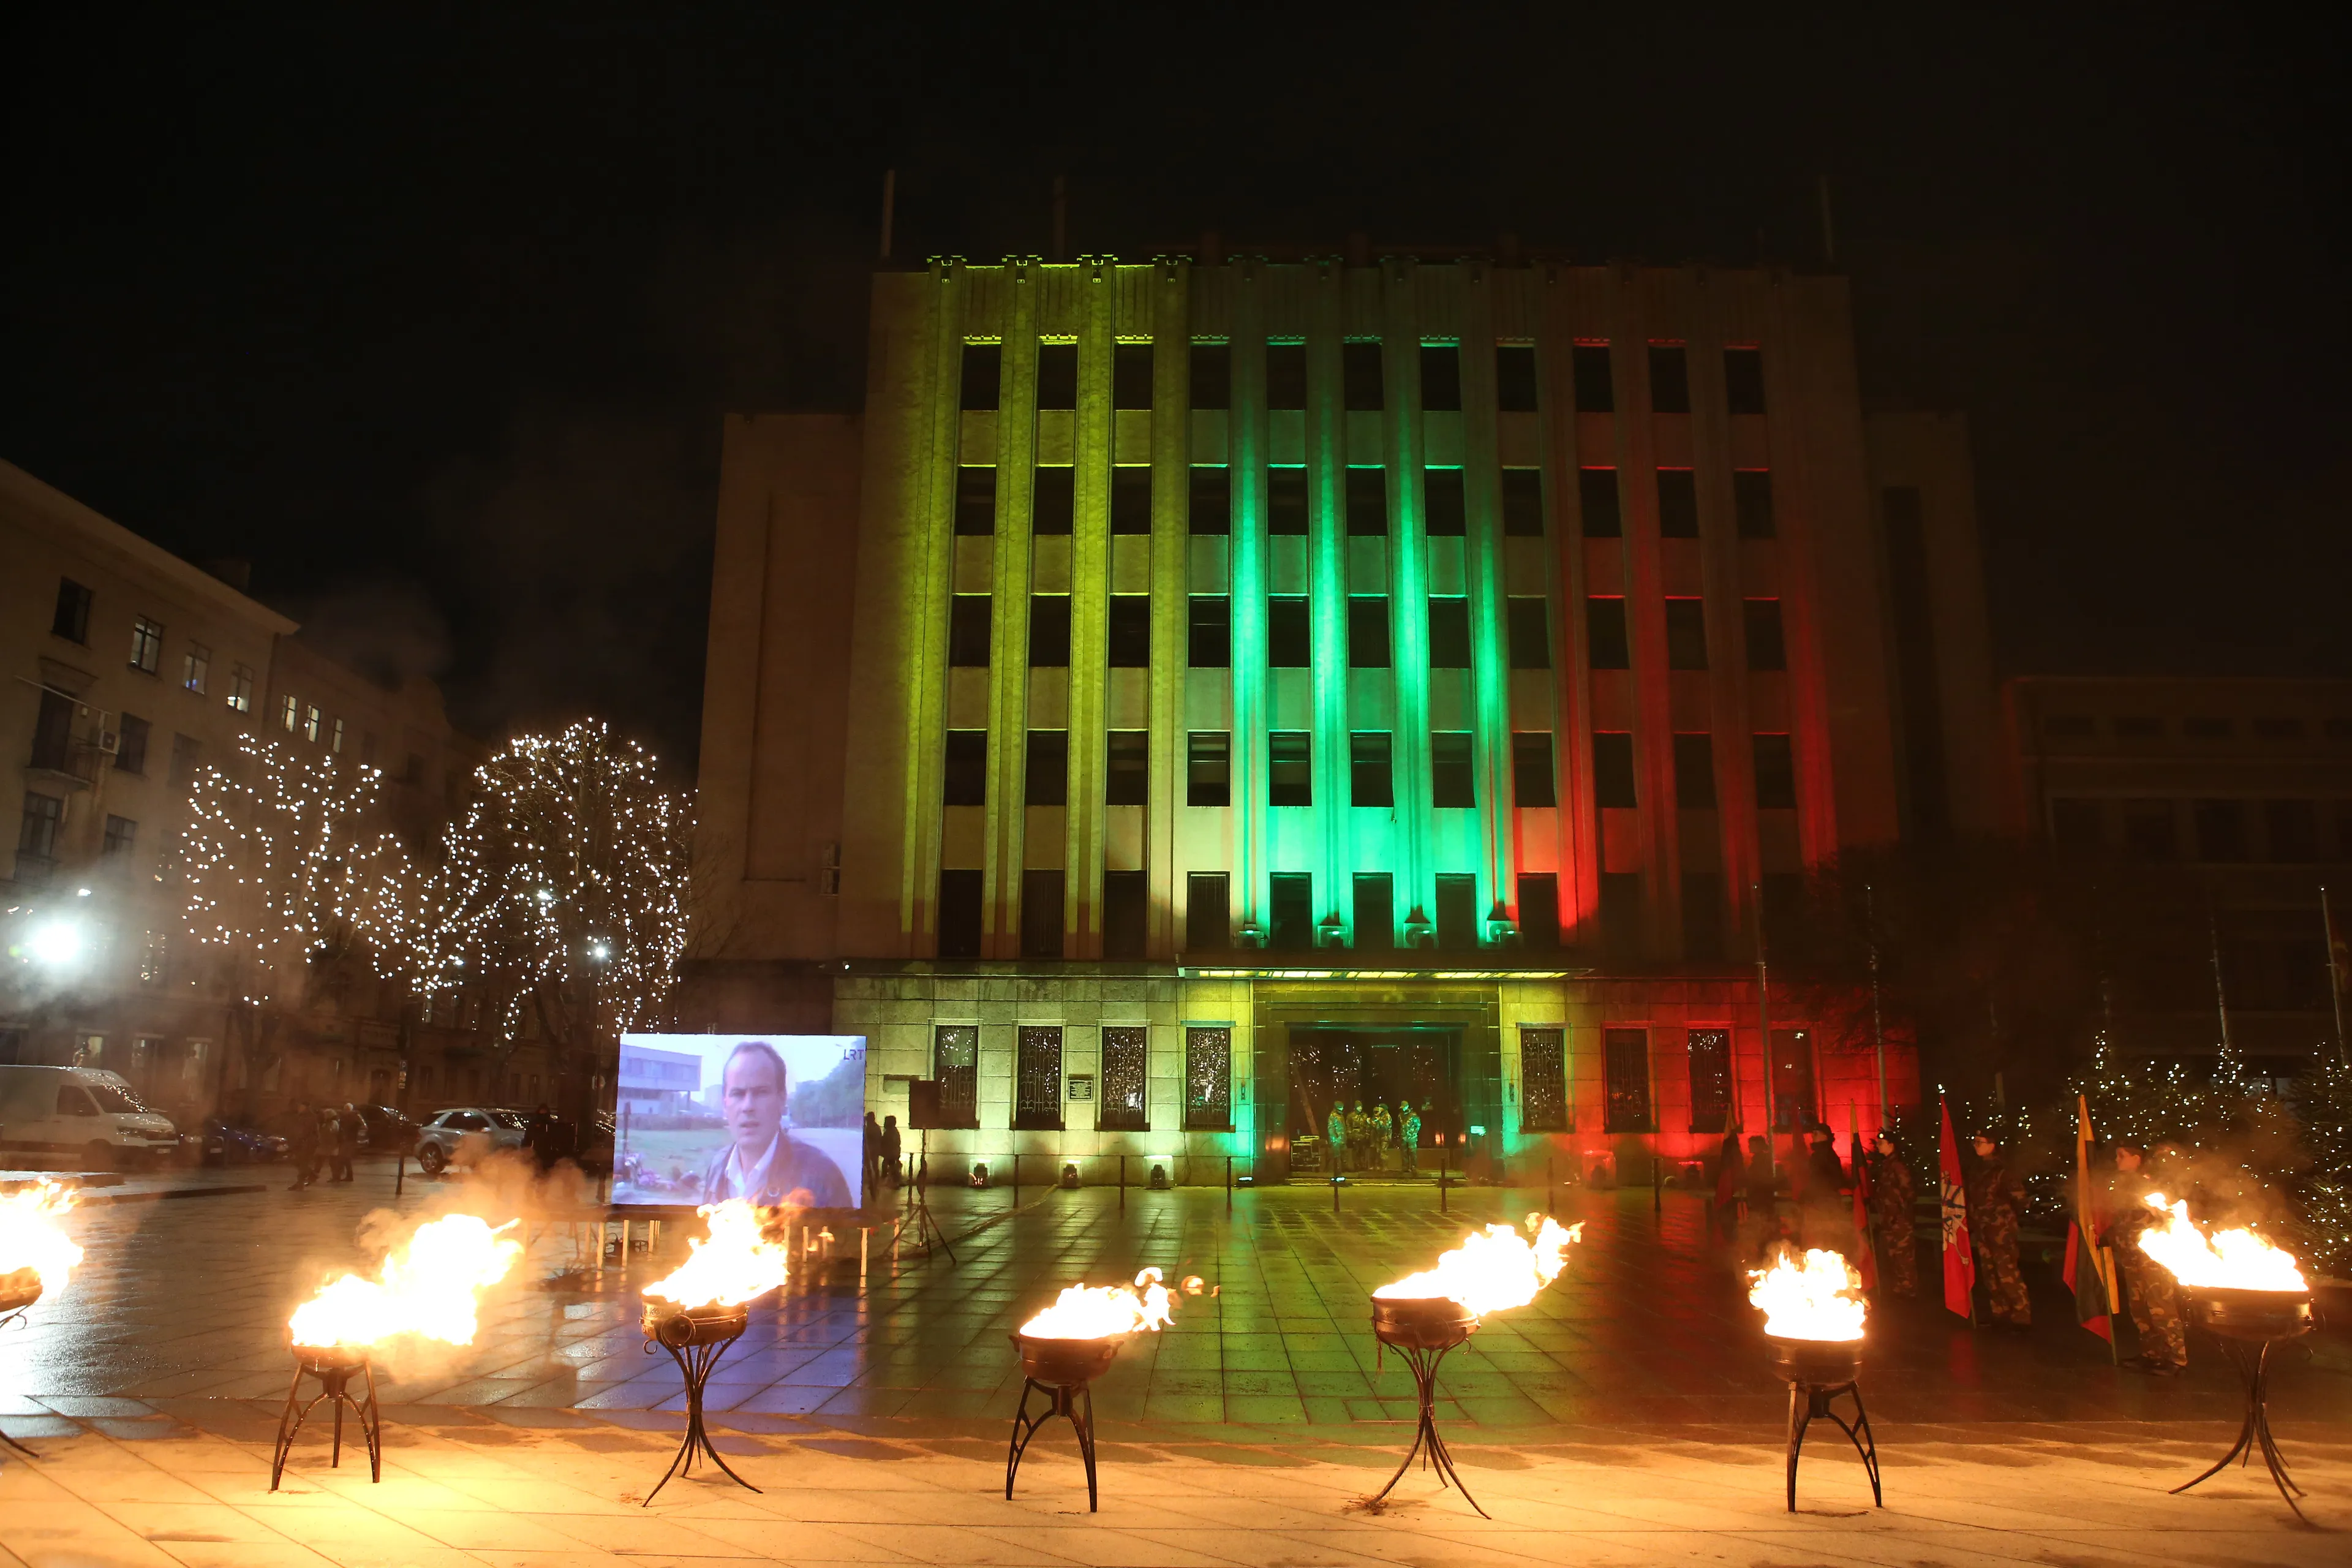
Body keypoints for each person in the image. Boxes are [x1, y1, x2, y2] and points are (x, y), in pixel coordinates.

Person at [698, 1041, 856, 1208]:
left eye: (761, 1093)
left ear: (781, 1099)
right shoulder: (717, 1168)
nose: (748, 1106)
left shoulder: (823, 1175)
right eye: (738, 1094)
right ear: (725, 1104)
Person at [2105, 1142, 2185, 1375]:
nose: (2117, 1161)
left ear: (2137, 1159)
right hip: (2131, 1255)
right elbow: (2122, 1219)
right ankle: (2152, 1354)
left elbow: (2169, 1215)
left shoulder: (2151, 1185)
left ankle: (2176, 1359)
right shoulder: (2123, 1186)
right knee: (2139, 1306)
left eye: (2122, 1156)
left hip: (2152, 1256)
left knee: (2160, 1305)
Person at [1969, 1131, 2032, 1329]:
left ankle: (2021, 1316)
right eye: (1975, 1142)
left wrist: (2005, 1218)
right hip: (1982, 1228)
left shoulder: (2003, 1171)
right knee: (1990, 1274)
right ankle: (2000, 1312)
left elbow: (2020, 1199)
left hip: (2001, 1230)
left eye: (1981, 1142)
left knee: (2007, 1273)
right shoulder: (1977, 1170)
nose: (1976, 1146)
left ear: (1992, 1145)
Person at [1869, 1133, 1918, 1298]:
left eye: (1882, 1143)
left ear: (1892, 1145)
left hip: (1900, 1219)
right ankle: (1900, 1285)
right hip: (1889, 1218)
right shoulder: (1886, 1166)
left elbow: (1908, 1192)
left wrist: (1902, 1212)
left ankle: (1909, 1288)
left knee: (1904, 1254)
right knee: (1893, 1253)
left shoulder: (1898, 1167)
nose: (1878, 1145)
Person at [1801, 1126, 1851, 1254]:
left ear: (1825, 1136)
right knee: (1819, 1238)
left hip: (1827, 1205)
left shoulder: (1828, 1156)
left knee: (1827, 1239)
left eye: (1816, 1133)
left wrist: (1821, 1190)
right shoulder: (1818, 1155)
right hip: (1818, 1203)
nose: (1813, 1136)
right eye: (1813, 1133)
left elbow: (1836, 1179)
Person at [1744, 1135, 1781, 1261]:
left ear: (1759, 1146)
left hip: (1761, 1203)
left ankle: (1764, 1259)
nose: (1749, 1147)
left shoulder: (1761, 1162)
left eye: (1752, 1144)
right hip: (1759, 1201)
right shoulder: (1760, 1161)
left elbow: (1761, 1181)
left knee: (1763, 1232)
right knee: (1762, 1232)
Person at [284, 1099, 319, 1190]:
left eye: (301, 1107)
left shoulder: (311, 1117)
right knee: (298, 1162)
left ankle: (301, 1184)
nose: (299, 1108)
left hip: (308, 1143)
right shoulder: (300, 1117)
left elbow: (306, 1131)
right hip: (301, 1143)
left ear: (306, 1108)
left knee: (303, 1163)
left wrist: (300, 1140)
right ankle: (311, 1176)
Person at [333, 1102, 360, 1181]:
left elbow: (348, 1129)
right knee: (345, 1159)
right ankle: (345, 1176)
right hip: (347, 1140)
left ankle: (341, 1176)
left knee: (343, 1158)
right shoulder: (349, 1117)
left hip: (348, 1141)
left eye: (346, 1109)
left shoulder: (351, 1118)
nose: (345, 1111)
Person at [1371, 1101, 1395, 1175]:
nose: (1379, 1109)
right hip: (1379, 1137)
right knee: (1378, 1151)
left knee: (1383, 1152)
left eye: (1380, 1108)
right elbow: (1375, 1126)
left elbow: (1385, 1127)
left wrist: (1379, 1122)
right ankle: (1378, 1166)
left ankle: (1384, 1167)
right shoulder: (1380, 1116)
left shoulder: (1387, 1116)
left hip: (1384, 1137)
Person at [862, 1111, 883, 1193]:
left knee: (871, 1167)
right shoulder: (875, 1127)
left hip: (871, 1150)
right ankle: (874, 1183)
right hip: (873, 1149)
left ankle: (874, 1183)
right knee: (873, 1167)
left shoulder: (871, 1128)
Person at [1325, 1101, 1348, 1174]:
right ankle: (1337, 1172)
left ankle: (1342, 1171)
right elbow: (1331, 1128)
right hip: (1336, 1141)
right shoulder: (1333, 1116)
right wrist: (1334, 1139)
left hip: (1342, 1139)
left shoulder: (1341, 1116)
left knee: (1343, 1155)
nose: (1342, 1109)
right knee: (1337, 1157)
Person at [881, 1114, 903, 1186]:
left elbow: (889, 1142)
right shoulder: (893, 1131)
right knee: (891, 1167)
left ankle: (894, 1182)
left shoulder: (891, 1132)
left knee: (890, 1167)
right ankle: (894, 1182)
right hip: (892, 1153)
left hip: (891, 1153)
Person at [1400, 1101, 1421, 1173]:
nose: (1403, 1109)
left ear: (1407, 1106)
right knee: (1404, 1153)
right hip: (1404, 1137)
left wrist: (1414, 1133)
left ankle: (1414, 1167)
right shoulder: (1401, 1115)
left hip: (1412, 1137)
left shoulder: (1413, 1115)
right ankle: (1405, 1167)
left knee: (1413, 1153)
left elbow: (1418, 1125)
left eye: (1404, 1107)